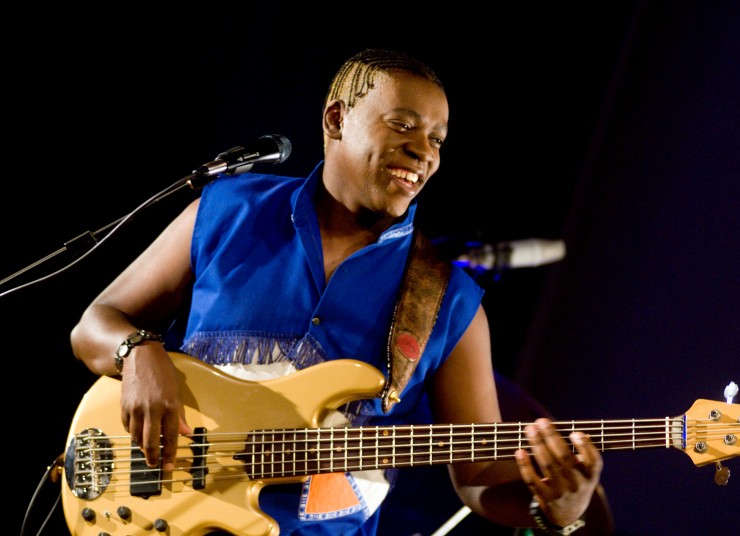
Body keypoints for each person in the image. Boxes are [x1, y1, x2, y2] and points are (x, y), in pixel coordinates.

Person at [70, 48, 606, 535]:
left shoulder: (451, 301)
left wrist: (558, 509)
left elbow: (478, 477)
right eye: (403, 125)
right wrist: (136, 351)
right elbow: (95, 323)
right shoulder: (228, 210)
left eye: (437, 139)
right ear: (336, 119)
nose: (423, 151)